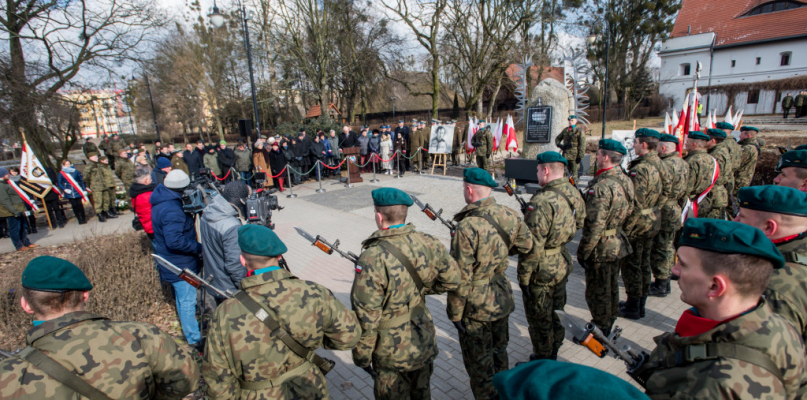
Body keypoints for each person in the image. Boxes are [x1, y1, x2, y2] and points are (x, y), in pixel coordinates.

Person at [634, 218, 807, 399]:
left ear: (715, 286)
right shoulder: (779, 324)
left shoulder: (703, 387)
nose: (674, 270)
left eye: (683, 264)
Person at [0, 255, 199, 399]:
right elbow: (186, 379)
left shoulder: (9, 374)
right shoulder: (140, 335)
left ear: (25, 305)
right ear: (85, 295)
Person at [203, 224, 360, 399]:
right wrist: (317, 338)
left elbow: (218, 380)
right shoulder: (314, 292)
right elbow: (348, 337)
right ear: (279, 256)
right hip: (309, 388)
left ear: (242, 260)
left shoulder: (225, 313)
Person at [352, 187, 461, 399]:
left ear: (379, 216)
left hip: (389, 350)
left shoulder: (372, 257)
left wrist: (362, 357)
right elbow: (453, 279)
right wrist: (422, 292)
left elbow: (367, 316)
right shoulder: (428, 242)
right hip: (422, 336)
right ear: (404, 213)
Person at [446, 168, 534, 399]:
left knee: (479, 364)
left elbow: (460, 277)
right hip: (501, 295)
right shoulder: (510, 214)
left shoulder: (467, 226)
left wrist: (454, 313)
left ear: (469, 189)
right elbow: (527, 246)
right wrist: (501, 255)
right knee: (499, 351)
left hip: (476, 306)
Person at [517, 153, 585, 362]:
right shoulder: (574, 192)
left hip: (542, 268)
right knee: (557, 310)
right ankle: (555, 348)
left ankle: (543, 359)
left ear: (545, 170)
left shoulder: (542, 201)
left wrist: (523, 277)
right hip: (561, 261)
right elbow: (580, 221)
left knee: (540, 318)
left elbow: (532, 245)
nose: (537, 173)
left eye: (538, 170)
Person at [734, 185, 807, 344]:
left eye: (743, 216)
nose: (736, 221)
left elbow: (760, 356)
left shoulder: (772, 286)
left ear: (768, 228)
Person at [578, 139, 634, 336]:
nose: (596, 157)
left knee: (597, 290)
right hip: (616, 241)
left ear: (606, 157)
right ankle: (609, 319)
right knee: (610, 286)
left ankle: (601, 328)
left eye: (599, 154)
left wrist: (583, 252)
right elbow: (631, 208)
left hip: (601, 246)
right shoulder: (625, 179)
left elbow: (594, 225)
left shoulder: (601, 187)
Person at [150, 169, 204, 350]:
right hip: (180, 263)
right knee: (188, 300)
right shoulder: (172, 208)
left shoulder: (161, 198)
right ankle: (194, 338)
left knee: (183, 299)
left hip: (173, 260)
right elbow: (175, 241)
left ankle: (190, 331)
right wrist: (198, 248)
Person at [619, 129, 664, 320]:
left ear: (643, 144)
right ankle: (640, 303)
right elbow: (667, 192)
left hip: (638, 225)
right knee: (644, 264)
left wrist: (625, 231)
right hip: (652, 220)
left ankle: (633, 305)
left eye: (636, 142)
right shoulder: (661, 163)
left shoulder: (642, 168)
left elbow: (635, 203)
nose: (634, 146)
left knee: (632, 266)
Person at [648, 134, 688, 297]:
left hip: (664, 209)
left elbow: (658, 189)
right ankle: (664, 280)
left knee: (661, 247)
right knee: (667, 244)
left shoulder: (663, 165)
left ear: (662, 148)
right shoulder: (683, 163)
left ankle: (661, 284)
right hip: (675, 208)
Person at [200, 181, 248, 306]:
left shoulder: (208, 212)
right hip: (230, 289)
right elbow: (235, 265)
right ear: (241, 201)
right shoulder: (231, 226)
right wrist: (246, 287)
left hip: (214, 280)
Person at [682, 131, 718, 217]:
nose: (685, 144)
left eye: (687, 142)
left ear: (694, 144)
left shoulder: (691, 161)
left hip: (691, 204)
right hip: (706, 200)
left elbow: (687, 187)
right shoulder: (711, 158)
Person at [0, 167, 36, 250]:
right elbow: (5, 200)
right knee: (15, 229)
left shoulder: (6, 183)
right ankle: (19, 246)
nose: (8, 174)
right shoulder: (1, 185)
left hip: (18, 209)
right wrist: (15, 211)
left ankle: (26, 243)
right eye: (6, 173)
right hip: (12, 211)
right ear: (3, 175)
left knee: (22, 227)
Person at [704, 128, 732, 219]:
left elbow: (715, 175)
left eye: (706, 139)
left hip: (714, 195)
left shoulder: (716, 154)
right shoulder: (722, 150)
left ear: (713, 140)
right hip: (719, 194)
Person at [84, 152, 113, 222]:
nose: (96, 158)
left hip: (103, 184)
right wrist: (90, 184)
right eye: (95, 157)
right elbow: (86, 177)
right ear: (90, 158)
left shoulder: (98, 165)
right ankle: (99, 215)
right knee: (98, 201)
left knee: (106, 199)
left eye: (96, 157)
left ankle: (106, 212)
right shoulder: (89, 166)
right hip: (96, 186)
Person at [57, 159, 88, 225]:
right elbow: (59, 183)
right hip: (69, 192)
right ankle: (79, 219)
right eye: (66, 164)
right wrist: (64, 189)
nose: (68, 165)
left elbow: (82, 181)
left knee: (80, 205)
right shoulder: (61, 173)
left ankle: (83, 218)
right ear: (63, 165)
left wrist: (84, 189)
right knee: (74, 206)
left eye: (69, 164)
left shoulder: (76, 171)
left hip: (77, 190)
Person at [733, 126, 761, 197]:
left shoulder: (747, 148)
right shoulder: (754, 145)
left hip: (740, 179)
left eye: (742, 134)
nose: (739, 136)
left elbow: (736, 163)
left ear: (748, 135)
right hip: (745, 178)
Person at [129, 168, 156, 240]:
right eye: (150, 178)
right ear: (145, 180)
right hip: (154, 227)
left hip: (147, 226)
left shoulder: (135, 193)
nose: (152, 180)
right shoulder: (147, 195)